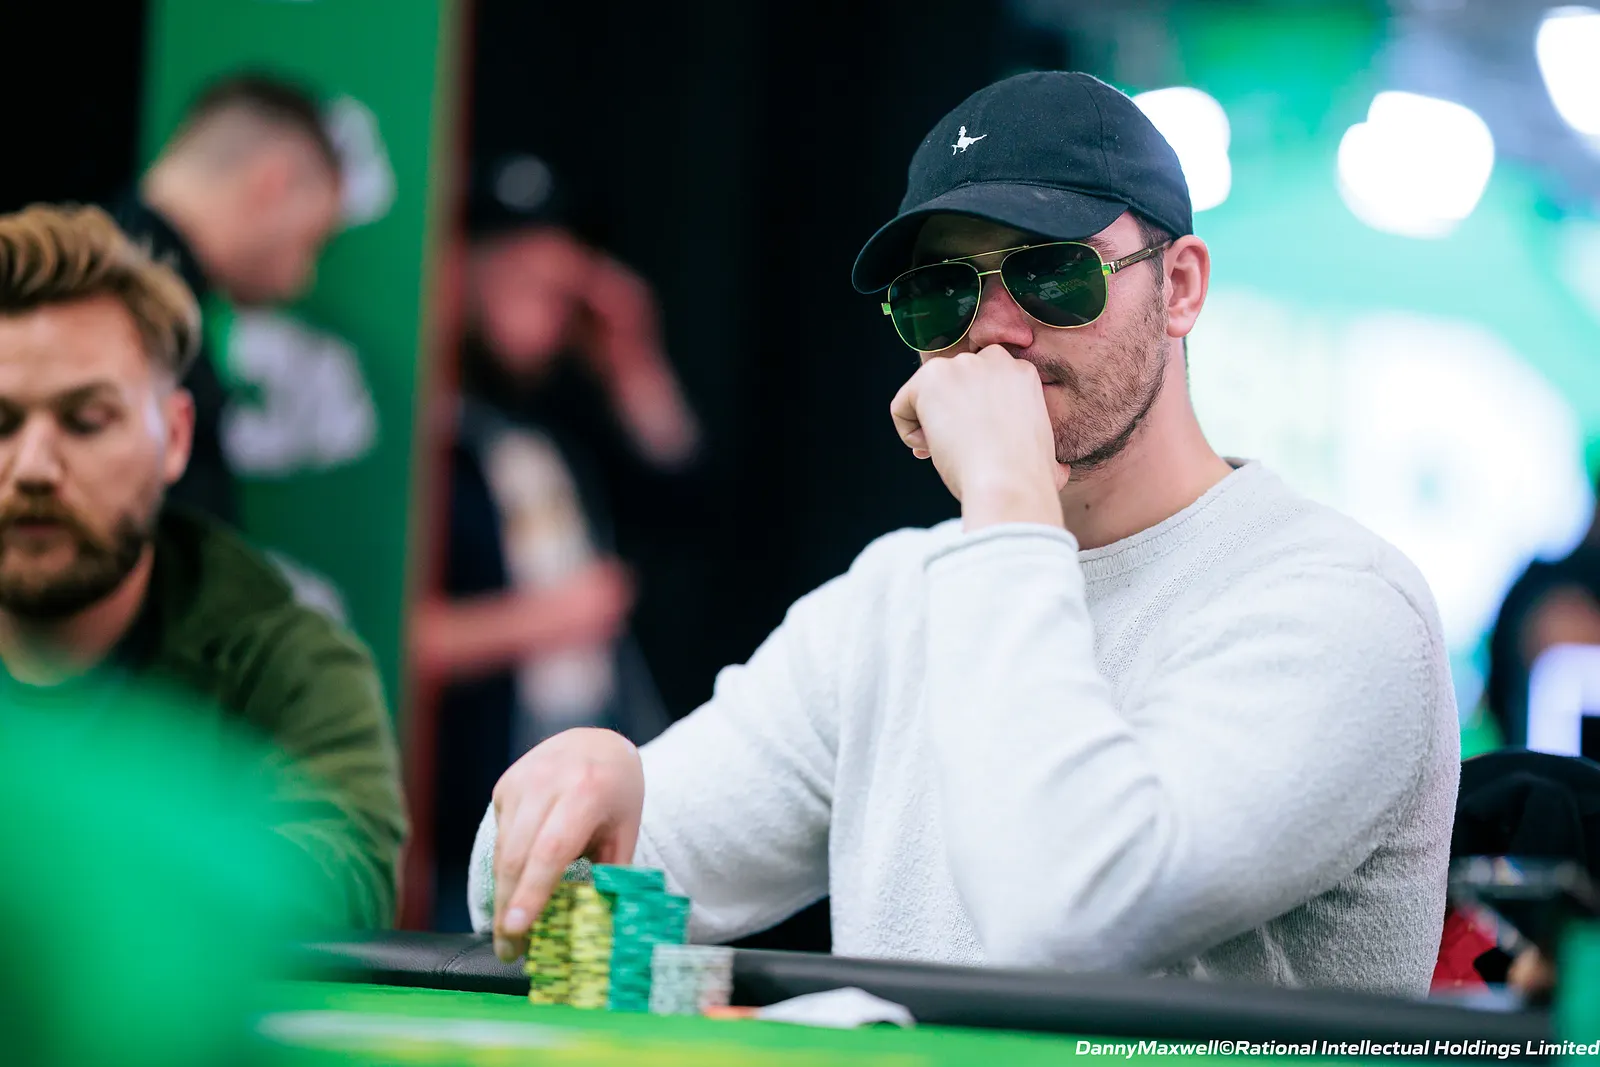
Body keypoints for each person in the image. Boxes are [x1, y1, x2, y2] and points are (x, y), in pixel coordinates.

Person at [468, 72, 1459, 995]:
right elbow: (524, 908)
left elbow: (1062, 922)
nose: (993, 330)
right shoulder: (894, 597)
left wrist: (1005, 496)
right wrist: (575, 793)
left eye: (1052, 273)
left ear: (1182, 287)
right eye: (941, 292)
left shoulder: (1334, 605)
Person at [0, 203, 404, 927]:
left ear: (177, 437)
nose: (33, 466)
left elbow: (344, 873)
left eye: (86, 420)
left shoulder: (287, 661)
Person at [413, 159, 697, 930]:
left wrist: (631, 351)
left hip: (589, 803)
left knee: (610, 984)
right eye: (517, 280)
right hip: (458, 825)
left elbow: (686, 504)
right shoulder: (409, 434)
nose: (541, 310)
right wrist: (543, 619)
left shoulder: (560, 423)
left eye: (558, 290)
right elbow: (381, 633)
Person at [112, 74, 343, 525]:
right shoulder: (113, 304)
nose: (300, 281)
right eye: (312, 242)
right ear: (273, 184)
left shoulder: (157, 296)